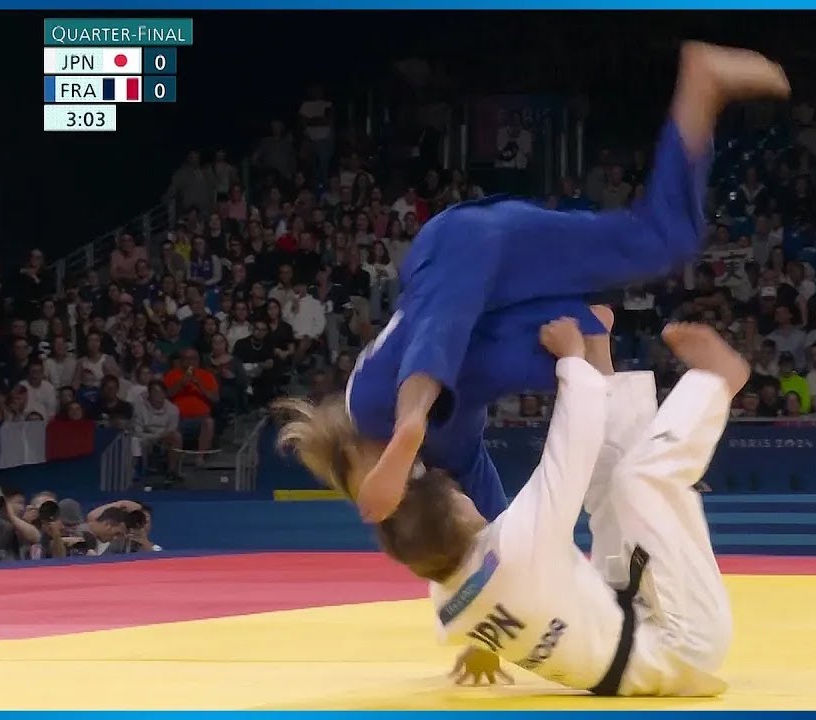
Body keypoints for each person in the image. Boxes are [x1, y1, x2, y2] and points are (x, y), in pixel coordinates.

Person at [308, 43, 790, 523]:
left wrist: (409, 428)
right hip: (509, 317)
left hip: (468, 253)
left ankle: (417, 415)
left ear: (350, 452)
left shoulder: (361, 405)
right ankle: (701, 86)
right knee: (663, 243)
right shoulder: (450, 455)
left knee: (442, 324)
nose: (384, 495)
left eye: (364, 483)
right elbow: (499, 532)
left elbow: (436, 325)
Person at [285, 316, 745, 695]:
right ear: (461, 515)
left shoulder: (451, 603)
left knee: (608, 494)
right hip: (686, 641)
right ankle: (715, 383)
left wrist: (486, 647)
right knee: (638, 483)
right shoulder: (513, 550)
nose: (468, 497)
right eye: (460, 497)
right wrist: (570, 359)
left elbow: (430, 551)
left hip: (624, 616)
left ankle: (601, 354)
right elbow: (571, 445)